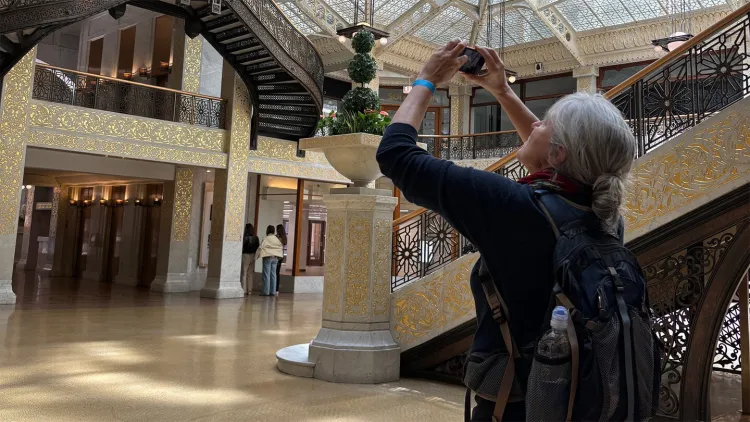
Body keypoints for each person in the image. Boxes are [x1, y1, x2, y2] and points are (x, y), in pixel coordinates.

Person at [376, 41, 640, 421]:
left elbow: (396, 156)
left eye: (545, 123)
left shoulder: (513, 206)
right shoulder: (606, 218)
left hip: (514, 404)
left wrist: (427, 81)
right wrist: (500, 90)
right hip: (580, 397)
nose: (535, 125)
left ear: (559, 154)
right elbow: (545, 146)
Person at [257, 225, 284, 296]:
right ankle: (273, 292)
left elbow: (261, 247)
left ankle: (265, 292)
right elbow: (280, 247)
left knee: (266, 275)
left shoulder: (266, 238)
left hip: (267, 257)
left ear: (267, 230)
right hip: (275, 258)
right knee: (273, 275)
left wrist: (256, 256)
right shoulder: (276, 239)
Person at [241, 223, 260, 295]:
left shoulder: (245, 237)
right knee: (250, 273)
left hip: (246, 255)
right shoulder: (256, 238)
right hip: (253, 255)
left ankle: (244, 289)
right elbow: (257, 247)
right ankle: (250, 290)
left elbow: (242, 246)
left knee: (244, 273)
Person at [275, 224, 287, 293]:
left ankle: (274, 287)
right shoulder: (284, 237)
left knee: (274, 272)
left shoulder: (276, 237)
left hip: (276, 255)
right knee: (277, 273)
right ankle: (277, 289)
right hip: (281, 255)